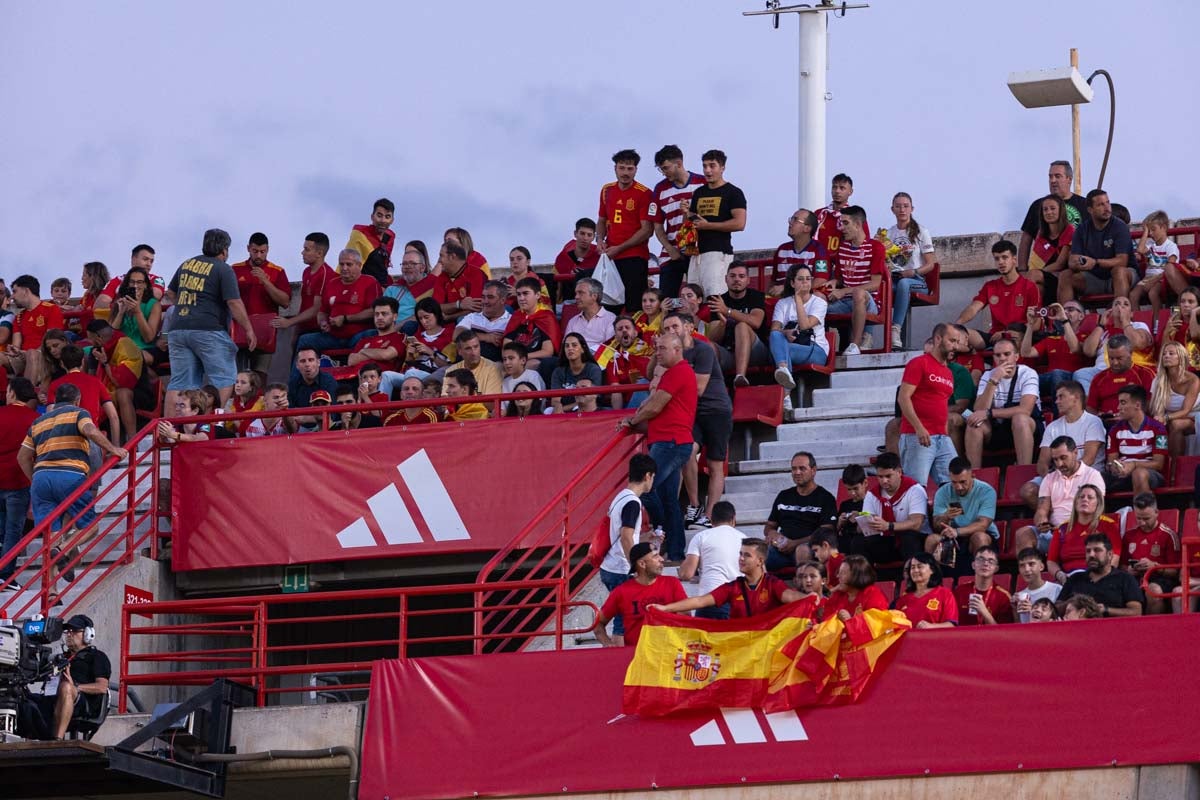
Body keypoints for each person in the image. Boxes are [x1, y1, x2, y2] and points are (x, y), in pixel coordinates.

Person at [17, 383, 127, 591]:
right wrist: (114, 449)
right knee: (90, 526)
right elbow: (90, 431)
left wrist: (35, 480)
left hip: (41, 478)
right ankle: (65, 549)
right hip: (70, 474)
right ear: (77, 400)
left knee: (50, 537)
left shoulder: (38, 421)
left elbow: (22, 457)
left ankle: (50, 592)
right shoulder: (78, 413)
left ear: (56, 401)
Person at [617, 333, 697, 564]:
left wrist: (632, 421)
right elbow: (657, 412)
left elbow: (655, 406)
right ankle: (675, 552)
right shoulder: (676, 372)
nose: (657, 352)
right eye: (656, 348)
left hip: (670, 442)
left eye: (662, 348)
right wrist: (635, 423)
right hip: (671, 441)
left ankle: (662, 531)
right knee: (668, 499)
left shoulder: (678, 371)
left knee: (645, 488)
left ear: (677, 349)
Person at [164, 229, 256, 411]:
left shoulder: (186, 264)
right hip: (209, 331)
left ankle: (169, 431)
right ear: (224, 250)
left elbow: (171, 293)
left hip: (178, 329)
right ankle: (211, 426)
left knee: (180, 383)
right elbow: (234, 302)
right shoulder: (223, 268)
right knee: (223, 379)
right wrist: (248, 329)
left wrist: (188, 307)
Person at [658, 313, 731, 531]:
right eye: (666, 328)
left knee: (715, 464)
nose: (671, 330)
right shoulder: (671, 354)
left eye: (675, 326)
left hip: (716, 410)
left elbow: (698, 388)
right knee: (687, 451)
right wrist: (658, 352)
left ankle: (710, 515)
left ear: (688, 327)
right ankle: (694, 506)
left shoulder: (704, 349)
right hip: (693, 412)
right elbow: (654, 375)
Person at [652, 539, 809, 620]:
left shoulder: (773, 584)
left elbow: (793, 597)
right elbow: (700, 601)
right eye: (740, 554)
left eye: (747, 555)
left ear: (760, 561)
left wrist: (816, 599)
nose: (740, 559)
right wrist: (666, 609)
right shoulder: (733, 587)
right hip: (740, 647)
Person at [17, 614, 111, 741]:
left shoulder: (97, 656)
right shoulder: (59, 658)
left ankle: (57, 740)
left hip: (82, 703)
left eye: (75, 631)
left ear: (88, 634)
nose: (69, 634)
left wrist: (75, 687)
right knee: (19, 695)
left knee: (66, 687)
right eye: (68, 631)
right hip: (52, 697)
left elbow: (102, 687)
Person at [1017, 381, 1106, 510]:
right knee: (1028, 491)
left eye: (1061, 397)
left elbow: (1089, 459)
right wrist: (1053, 480)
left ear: (1075, 398)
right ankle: (1056, 518)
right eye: (1056, 398)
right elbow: (1042, 463)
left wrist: (1068, 480)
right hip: (1059, 474)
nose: (1057, 401)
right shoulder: (1053, 427)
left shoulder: (1093, 422)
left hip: (1086, 474)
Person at [897, 322, 966, 485]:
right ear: (938, 339)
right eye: (952, 341)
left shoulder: (949, 372)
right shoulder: (919, 363)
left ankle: (950, 512)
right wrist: (919, 428)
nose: (955, 346)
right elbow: (903, 397)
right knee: (916, 487)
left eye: (957, 342)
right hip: (917, 435)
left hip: (942, 437)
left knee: (955, 484)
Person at [597, 454, 658, 636]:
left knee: (622, 616)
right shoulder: (633, 502)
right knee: (623, 619)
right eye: (653, 477)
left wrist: (646, 537)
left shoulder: (620, 497)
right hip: (620, 568)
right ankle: (617, 655)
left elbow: (623, 533)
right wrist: (636, 565)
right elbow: (626, 537)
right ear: (648, 476)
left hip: (610, 565)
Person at [1013, 436, 1106, 554]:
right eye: (1055, 460)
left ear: (1075, 453)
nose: (1059, 464)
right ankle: (1031, 571)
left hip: (1081, 532)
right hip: (1053, 533)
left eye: (1063, 458)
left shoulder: (1092, 476)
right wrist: (1042, 522)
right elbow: (1042, 510)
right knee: (1023, 534)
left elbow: (1097, 511)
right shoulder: (1049, 479)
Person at [964, 338, 1042, 467]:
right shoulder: (988, 376)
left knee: (1020, 419)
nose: (1002, 358)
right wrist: (994, 380)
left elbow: (1025, 410)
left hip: (1027, 428)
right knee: (974, 423)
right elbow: (979, 409)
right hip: (997, 429)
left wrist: (990, 413)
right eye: (998, 355)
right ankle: (974, 475)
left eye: (1007, 354)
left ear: (1016, 356)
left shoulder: (1028, 373)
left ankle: (1023, 470)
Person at [593, 542, 687, 648]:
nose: (662, 559)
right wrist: (607, 643)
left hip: (669, 652)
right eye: (655, 556)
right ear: (642, 564)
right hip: (637, 657)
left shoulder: (672, 583)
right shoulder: (621, 592)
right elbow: (598, 623)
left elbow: (686, 616)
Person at [955, 240, 1040, 353]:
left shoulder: (1029, 287)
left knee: (1015, 338)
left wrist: (1006, 333)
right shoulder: (990, 286)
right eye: (997, 258)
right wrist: (957, 325)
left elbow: (1037, 323)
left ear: (1014, 259)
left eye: (1005, 257)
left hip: (1019, 336)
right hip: (995, 337)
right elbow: (973, 308)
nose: (1001, 262)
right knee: (959, 334)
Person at [685, 149, 748, 299]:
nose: (707, 170)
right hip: (696, 254)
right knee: (692, 299)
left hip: (718, 253)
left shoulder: (733, 192)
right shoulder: (699, 192)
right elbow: (692, 222)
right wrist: (686, 213)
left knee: (715, 298)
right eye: (705, 166)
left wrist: (709, 226)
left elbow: (740, 223)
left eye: (712, 166)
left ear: (722, 168)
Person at [597, 149, 654, 313]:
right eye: (622, 168)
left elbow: (647, 230)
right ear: (615, 168)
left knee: (634, 306)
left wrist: (620, 248)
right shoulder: (606, 190)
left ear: (636, 169)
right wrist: (599, 240)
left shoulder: (644, 193)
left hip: (634, 257)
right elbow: (601, 220)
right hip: (609, 258)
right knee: (606, 307)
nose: (625, 173)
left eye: (630, 169)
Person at [296, 248, 382, 356]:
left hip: (358, 335)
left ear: (359, 265)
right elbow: (322, 312)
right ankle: (299, 373)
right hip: (333, 336)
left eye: (349, 264)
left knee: (372, 334)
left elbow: (374, 311)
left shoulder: (370, 282)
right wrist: (323, 323)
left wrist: (345, 319)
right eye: (341, 264)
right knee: (304, 340)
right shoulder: (332, 284)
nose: (344, 268)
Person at [762, 451, 837, 571]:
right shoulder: (783, 495)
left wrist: (795, 543)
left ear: (813, 471)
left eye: (802, 468)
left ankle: (805, 588)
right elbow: (769, 526)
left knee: (802, 550)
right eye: (794, 469)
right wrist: (773, 534)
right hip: (782, 549)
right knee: (756, 553)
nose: (797, 472)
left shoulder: (826, 498)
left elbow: (826, 532)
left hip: (810, 549)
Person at [649, 144, 706, 299]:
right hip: (670, 253)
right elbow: (657, 225)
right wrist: (669, 247)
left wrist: (689, 214)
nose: (663, 172)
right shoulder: (659, 189)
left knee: (698, 297)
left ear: (679, 164)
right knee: (666, 300)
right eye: (661, 169)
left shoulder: (702, 183)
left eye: (666, 168)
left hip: (695, 250)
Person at [230, 232, 291, 372]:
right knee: (239, 376)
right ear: (248, 249)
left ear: (267, 250)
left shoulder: (277, 271)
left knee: (261, 375)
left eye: (262, 252)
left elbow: (285, 302)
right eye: (255, 251)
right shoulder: (235, 269)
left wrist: (265, 281)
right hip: (240, 329)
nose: (258, 255)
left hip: (265, 330)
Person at [827, 205, 884, 355]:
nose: (841, 228)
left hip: (869, 302)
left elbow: (875, 284)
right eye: (841, 223)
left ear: (858, 225)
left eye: (846, 223)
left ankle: (855, 345)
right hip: (845, 301)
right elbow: (840, 278)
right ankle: (818, 346)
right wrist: (834, 283)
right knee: (816, 301)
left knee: (859, 293)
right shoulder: (843, 247)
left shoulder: (876, 247)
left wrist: (844, 290)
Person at [1060, 189, 1135, 304]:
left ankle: (1119, 316)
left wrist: (1095, 262)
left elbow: (1122, 261)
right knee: (1065, 276)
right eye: (1101, 204)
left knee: (1119, 271)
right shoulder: (1081, 230)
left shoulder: (1120, 226)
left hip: (1123, 276)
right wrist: (1077, 262)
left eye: (1108, 202)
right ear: (1090, 210)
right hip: (1094, 278)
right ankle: (1065, 319)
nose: (1107, 208)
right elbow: (1072, 261)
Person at [884, 192, 937, 349]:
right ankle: (867, 337)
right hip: (894, 278)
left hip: (917, 280)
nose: (902, 209)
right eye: (898, 206)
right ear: (892, 209)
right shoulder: (888, 233)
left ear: (912, 208)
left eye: (906, 206)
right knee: (878, 288)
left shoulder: (921, 231)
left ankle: (895, 329)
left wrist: (913, 272)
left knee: (904, 284)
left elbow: (931, 264)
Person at [704, 261, 769, 386]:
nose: (737, 280)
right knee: (708, 346)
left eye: (741, 276)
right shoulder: (718, 301)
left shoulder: (756, 296)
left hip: (756, 352)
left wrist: (727, 311)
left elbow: (756, 322)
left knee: (742, 326)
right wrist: (722, 325)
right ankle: (708, 387)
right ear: (726, 279)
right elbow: (712, 338)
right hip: (729, 353)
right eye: (732, 276)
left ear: (748, 280)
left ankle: (740, 377)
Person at [0, 377, 39, 584]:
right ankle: (5, 575)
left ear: (12, 393)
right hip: (19, 481)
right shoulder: (35, 419)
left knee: (2, 529)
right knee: (13, 529)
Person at [1075, 298, 1155, 397]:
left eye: (1125, 304)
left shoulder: (1138, 326)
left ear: (1131, 313)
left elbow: (1137, 343)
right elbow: (1088, 351)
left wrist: (1125, 321)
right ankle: (1090, 407)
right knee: (1081, 374)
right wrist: (1101, 325)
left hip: (1127, 369)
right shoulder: (1104, 332)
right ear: (1111, 312)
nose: (1120, 307)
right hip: (1102, 373)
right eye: (1116, 304)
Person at [84, 320, 146, 445]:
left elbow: (123, 381)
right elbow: (91, 378)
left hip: (138, 391)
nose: (90, 342)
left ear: (99, 337)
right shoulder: (95, 351)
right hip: (107, 391)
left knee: (122, 393)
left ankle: (133, 441)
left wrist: (105, 363)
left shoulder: (125, 344)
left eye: (91, 338)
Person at [1017, 161, 1088, 270]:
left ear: (1069, 179)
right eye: (1050, 177)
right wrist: (1022, 269)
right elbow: (1026, 238)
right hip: (1043, 265)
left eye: (1057, 176)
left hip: (1074, 268)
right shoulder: (1038, 205)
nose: (1053, 180)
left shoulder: (1085, 205)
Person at [678, 502, 743, 620]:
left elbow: (686, 574)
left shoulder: (701, 536)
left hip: (710, 600)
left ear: (711, 520)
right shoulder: (746, 539)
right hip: (739, 601)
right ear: (734, 519)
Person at [860, 452, 930, 563]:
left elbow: (916, 523)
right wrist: (864, 523)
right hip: (887, 540)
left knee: (909, 537)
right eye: (880, 477)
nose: (884, 481)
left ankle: (912, 575)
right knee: (859, 541)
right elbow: (865, 523)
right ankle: (863, 578)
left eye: (888, 476)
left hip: (915, 539)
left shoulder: (915, 490)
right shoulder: (872, 495)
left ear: (899, 472)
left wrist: (889, 526)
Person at [930, 457, 999, 567]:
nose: (958, 487)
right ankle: (934, 582)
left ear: (973, 476)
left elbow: (983, 524)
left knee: (979, 537)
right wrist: (946, 517)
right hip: (953, 536)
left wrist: (957, 532)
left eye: (963, 482)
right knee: (931, 540)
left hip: (981, 535)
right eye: (954, 482)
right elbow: (937, 525)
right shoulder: (942, 492)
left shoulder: (986, 491)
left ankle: (980, 580)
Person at [769, 265, 828, 390]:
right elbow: (775, 329)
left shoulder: (819, 303)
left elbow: (805, 325)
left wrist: (798, 299)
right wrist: (785, 333)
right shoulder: (783, 303)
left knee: (782, 351)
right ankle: (785, 382)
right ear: (792, 283)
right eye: (800, 279)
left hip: (815, 349)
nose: (805, 282)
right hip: (791, 345)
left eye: (808, 278)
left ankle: (785, 391)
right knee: (776, 336)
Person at [48, 345, 121, 448]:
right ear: (82, 361)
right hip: (93, 440)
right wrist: (116, 447)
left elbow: (50, 416)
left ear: (62, 364)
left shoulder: (55, 385)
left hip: (64, 442)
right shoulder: (95, 382)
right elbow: (113, 416)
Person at [1102, 384, 1168, 494]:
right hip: (1123, 474)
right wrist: (1114, 467)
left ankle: (1144, 510)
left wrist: (1134, 465)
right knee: (1094, 477)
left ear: (1137, 405)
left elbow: (1158, 464)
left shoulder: (1158, 428)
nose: (1118, 407)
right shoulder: (1115, 430)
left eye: (1123, 403)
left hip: (1150, 474)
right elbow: (1111, 461)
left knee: (1139, 474)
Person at [1058, 534, 1143, 617]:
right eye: (1088, 551)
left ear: (1110, 555)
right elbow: (1055, 608)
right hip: (1076, 628)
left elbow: (1136, 612)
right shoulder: (1075, 578)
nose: (1091, 555)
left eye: (1097, 550)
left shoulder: (1125, 579)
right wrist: (1073, 602)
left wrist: (1105, 610)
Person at [271, 232, 335, 342]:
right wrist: (297, 327)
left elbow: (317, 308)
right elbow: (305, 302)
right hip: (303, 328)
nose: (302, 252)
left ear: (319, 253)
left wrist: (289, 322)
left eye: (307, 249)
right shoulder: (306, 271)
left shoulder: (325, 274)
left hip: (317, 329)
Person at [1121, 492, 1178, 615]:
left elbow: (1176, 571)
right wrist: (1129, 570)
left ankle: (1152, 629)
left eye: (1146, 518)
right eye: (1138, 518)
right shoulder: (1129, 535)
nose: (1142, 522)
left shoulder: (1168, 535)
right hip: (1134, 578)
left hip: (1161, 578)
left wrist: (1155, 567)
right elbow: (1122, 565)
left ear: (1156, 513)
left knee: (1153, 590)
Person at [1046, 484, 1120, 580]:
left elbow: (1114, 557)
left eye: (1090, 497)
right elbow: (1051, 561)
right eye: (1081, 497)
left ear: (1098, 503)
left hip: (1099, 577)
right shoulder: (1062, 529)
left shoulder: (1109, 525)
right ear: (1076, 502)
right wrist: (1060, 575)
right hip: (1068, 579)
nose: (1085, 499)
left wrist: (1102, 577)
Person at [1020, 301, 1086, 398]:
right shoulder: (1051, 340)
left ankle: (1059, 413)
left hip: (1073, 381)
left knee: (1057, 373)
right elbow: (1026, 353)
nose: (1065, 312)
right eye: (1063, 310)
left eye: (1070, 310)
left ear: (1081, 316)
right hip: (1051, 379)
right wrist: (1030, 325)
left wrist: (1064, 320)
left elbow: (1075, 348)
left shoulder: (1087, 336)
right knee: (1024, 379)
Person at [1083, 333, 1156, 421]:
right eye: (1111, 358)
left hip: (1134, 424)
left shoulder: (1145, 374)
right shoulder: (1099, 378)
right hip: (1105, 424)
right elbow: (1091, 408)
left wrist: (1127, 416)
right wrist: (1100, 417)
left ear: (1130, 354)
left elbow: (1150, 405)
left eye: (1119, 358)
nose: (1115, 363)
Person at [1148, 341, 1200, 456]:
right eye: (1164, 353)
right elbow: (1157, 408)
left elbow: (1186, 410)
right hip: (1172, 416)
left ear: (1181, 357)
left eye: (1171, 353)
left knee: (1176, 424)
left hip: (1195, 415)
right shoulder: (1158, 381)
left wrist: (1165, 417)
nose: (1166, 356)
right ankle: (1162, 461)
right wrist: (1159, 418)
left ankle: (1175, 466)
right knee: (1160, 426)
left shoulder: (1193, 380)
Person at [9, 274, 66, 381]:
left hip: (44, 356)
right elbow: (16, 344)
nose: (12, 296)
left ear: (25, 291)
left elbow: (50, 341)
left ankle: (24, 395)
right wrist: (13, 350)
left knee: (32, 354)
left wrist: (29, 352)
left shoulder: (51, 309)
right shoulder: (19, 317)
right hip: (22, 357)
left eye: (14, 291)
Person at [503, 277, 561, 376]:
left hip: (533, 361)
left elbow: (547, 352)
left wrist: (522, 358)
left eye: (525, 293)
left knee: (533, 364)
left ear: (538, 295)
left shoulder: (547, 317)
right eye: (518, 294)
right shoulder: (516, 316)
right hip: (515, 360)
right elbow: (506, 344)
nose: (521, 298)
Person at [339, 297, 407, 377]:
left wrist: (363, 351)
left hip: (380, 383)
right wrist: (377, 355)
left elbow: (386, 355)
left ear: (395, 317)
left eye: (384, 314)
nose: (379, 317)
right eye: (376, 314)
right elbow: (351, 360)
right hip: (355, 379)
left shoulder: (400, 337)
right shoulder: (364, 340)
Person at [1024, 194, 1076, 297]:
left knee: (1032, 275)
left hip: (1063, 279)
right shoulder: (1041, 234)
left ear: (1061, 211)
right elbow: (1034, 264)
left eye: (1052, 208)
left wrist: (1038, 272)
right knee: (1037, 289)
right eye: (1045, 209)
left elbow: (1060, 264)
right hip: (1045, 278)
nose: (1048, 212)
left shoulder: (1069, 231)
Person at [594, 317, 652, 409]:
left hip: (649, 406)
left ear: (635, 333)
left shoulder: (650, 353)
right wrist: (618, 416)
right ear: (616, 337)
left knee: (643, 382)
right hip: (628, 408)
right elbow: (616, 390)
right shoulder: (613, 361)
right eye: (620, 329)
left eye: (627, 327)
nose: (624, 330)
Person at [1129, 210, 1177, 321]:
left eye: (1153, 229)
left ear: (1164, 228)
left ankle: (1156, 322)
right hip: (1147, 278)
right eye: (1149, 230)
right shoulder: (1151, 245)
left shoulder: (1171, 246)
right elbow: (1140, 249)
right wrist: (1145, 231)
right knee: (1133, 295)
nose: (1151, 233)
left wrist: (1153, 281)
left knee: (1153, 294)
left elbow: (1171, 267)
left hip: (1162, 278)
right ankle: (1140, 323)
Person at [771, 209, 828, 297]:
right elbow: (773, 281)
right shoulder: (782, 249)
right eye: (791, 219)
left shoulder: (819, 250)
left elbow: (820, 280)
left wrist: (787, 289)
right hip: (781, 299)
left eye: (795, 220)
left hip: (805, 298)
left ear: (807, 228)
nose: (790, 223)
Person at [895, 553, 958, 628]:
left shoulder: (945, 594)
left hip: (935, 639)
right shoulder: (903, 599)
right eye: (912, 567)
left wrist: (931, 627)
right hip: (909, 640)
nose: (915, 570)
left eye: (919, 566)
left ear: (932, 570)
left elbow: (951, 624)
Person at [953, 546, 1013, 625]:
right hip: (963, 636)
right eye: (981, 559)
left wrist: (984, 612)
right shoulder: (960, 591)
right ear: (973, 565)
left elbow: (1004, 633)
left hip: (990, 637)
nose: (985, 564)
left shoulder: (1003, 597)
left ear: (996, 568)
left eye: (991, 561)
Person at [109, 266, 163, 352]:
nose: (135, 286)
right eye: (132, 282)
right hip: (121, 349)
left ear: (145, 285)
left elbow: (148, 338)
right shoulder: (120, 302)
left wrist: (137, 311)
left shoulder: (154, 304)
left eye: (139, 282)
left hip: (144, 349)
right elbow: (111, 335)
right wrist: (121, 313)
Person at [455, 280, 511, 362]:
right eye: (483, 297)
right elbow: (456, 335)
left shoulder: (511, 321)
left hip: (492, 369)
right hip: (461, 367)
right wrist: (486, 337)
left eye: (490, 297)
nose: (485, 301)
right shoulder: (472, 317)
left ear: (502, 300)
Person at [433, 241, 487, 325]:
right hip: (447, 321)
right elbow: (435, 307)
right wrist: (458, 304)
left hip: (476, 321)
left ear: (452, 257)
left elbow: (476, 309)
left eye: (441, 255)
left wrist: (450, 317)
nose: (439, 260)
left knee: (462, 320)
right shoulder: (441, 277)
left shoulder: (476, 274)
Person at [345, 198, 396, 286]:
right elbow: (347, 263)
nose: (383, 220)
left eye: (387, 217)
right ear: (372, 217)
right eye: (379, 215)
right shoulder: (361, 235)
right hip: (362, 287)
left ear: (392, 220)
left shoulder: (389, 238)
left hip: (382, 289)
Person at [549, 332, 603, 413]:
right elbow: (555, 401)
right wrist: (558, 406)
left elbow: (591, 399)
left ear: (582, 349)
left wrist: (563, 408)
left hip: (588, 409)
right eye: (567, 346)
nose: (570, 348)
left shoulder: (593, 369)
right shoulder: (558, 372)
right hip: (564, 412)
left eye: (574, 345)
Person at [814, 173, 868, 255]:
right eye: (834, 187)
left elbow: (865, 242)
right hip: (820, 262)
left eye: (842, 188)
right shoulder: (820, 214)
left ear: (850, 192)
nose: (837, 191)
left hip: (844, 261)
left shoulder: (855, 216)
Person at [439, 329, 502, 398]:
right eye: (468, 348)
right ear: (459, 351)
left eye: (476, 347)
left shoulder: (493, 368)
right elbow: (445, 400)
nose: (473, 352)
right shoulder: (451, 371)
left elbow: (491, 403)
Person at [824, 555, 889, 621]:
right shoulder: (839, 594)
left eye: (843, 573)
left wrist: (850, 620)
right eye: (838, 572)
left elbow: (875, 626)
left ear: (856, 576)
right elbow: (826, 621)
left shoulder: (873, 594)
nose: (838, 576)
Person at [551, 218, 600, 304]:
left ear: (593, 237)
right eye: (582, 233)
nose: (585, 238)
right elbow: (557, 285)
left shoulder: (598, 256)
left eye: (589, 235)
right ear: (575, 233)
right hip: (566, 303)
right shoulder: (564, 256)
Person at [287, 347, 338, 427]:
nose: (307, 365)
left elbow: (333, 415)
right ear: (297, 365)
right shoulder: (292, 383)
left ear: (318, 362)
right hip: (300, 429)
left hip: (325, 427)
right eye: (303, 361)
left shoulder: (329, 382)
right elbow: (289, 414)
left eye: (311, 360)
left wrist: (305, 418)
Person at [564, 278, 616, 352]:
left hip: (598, 360)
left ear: (594, 296)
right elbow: (566, 347)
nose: (576, 297)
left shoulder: (610, 319)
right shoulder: (573, 321)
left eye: (581, 293)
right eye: (576, 293)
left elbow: (609, 350)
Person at [1012, 548, 1062, 623]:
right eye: (1022, 565)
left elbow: (1061, 621)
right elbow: (1019, 625)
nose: (1026, 569)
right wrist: (1014, 609)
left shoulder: (1057, 589)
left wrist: (1033, 610)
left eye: (1031, 564)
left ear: (1041, 566)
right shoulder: (1019, 596)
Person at [222, 370, 265, 436]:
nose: (238, 385)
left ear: (251, 387)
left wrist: (232, 416)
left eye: (243, 382)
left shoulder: (263, 402)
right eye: (237, 382)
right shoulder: (229, 403)